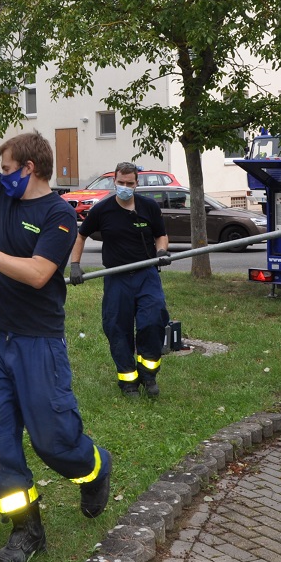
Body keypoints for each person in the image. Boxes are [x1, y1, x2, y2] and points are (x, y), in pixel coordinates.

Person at [0, 79, 112, 562]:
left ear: (29, 169)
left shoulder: (61, 215)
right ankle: (26, 529)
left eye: (9, 168)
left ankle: (95, 468)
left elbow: (39, 274)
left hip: (39, 343)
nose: (2, 174)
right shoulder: (7, 196)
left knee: (54, 440)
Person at [68, 162, 170, 398]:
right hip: (116, 277)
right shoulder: (102, 210)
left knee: (153, 320)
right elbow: (80, 235)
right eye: (121, 183)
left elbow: (161, 235)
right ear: (114, 181)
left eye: (129, 183)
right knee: (117, 328)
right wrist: (75, 265)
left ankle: (148, 374)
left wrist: (161, 252)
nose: (125, 187)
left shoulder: (149, 207)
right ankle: (128, 381)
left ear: (137, 183)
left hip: (147, 274)